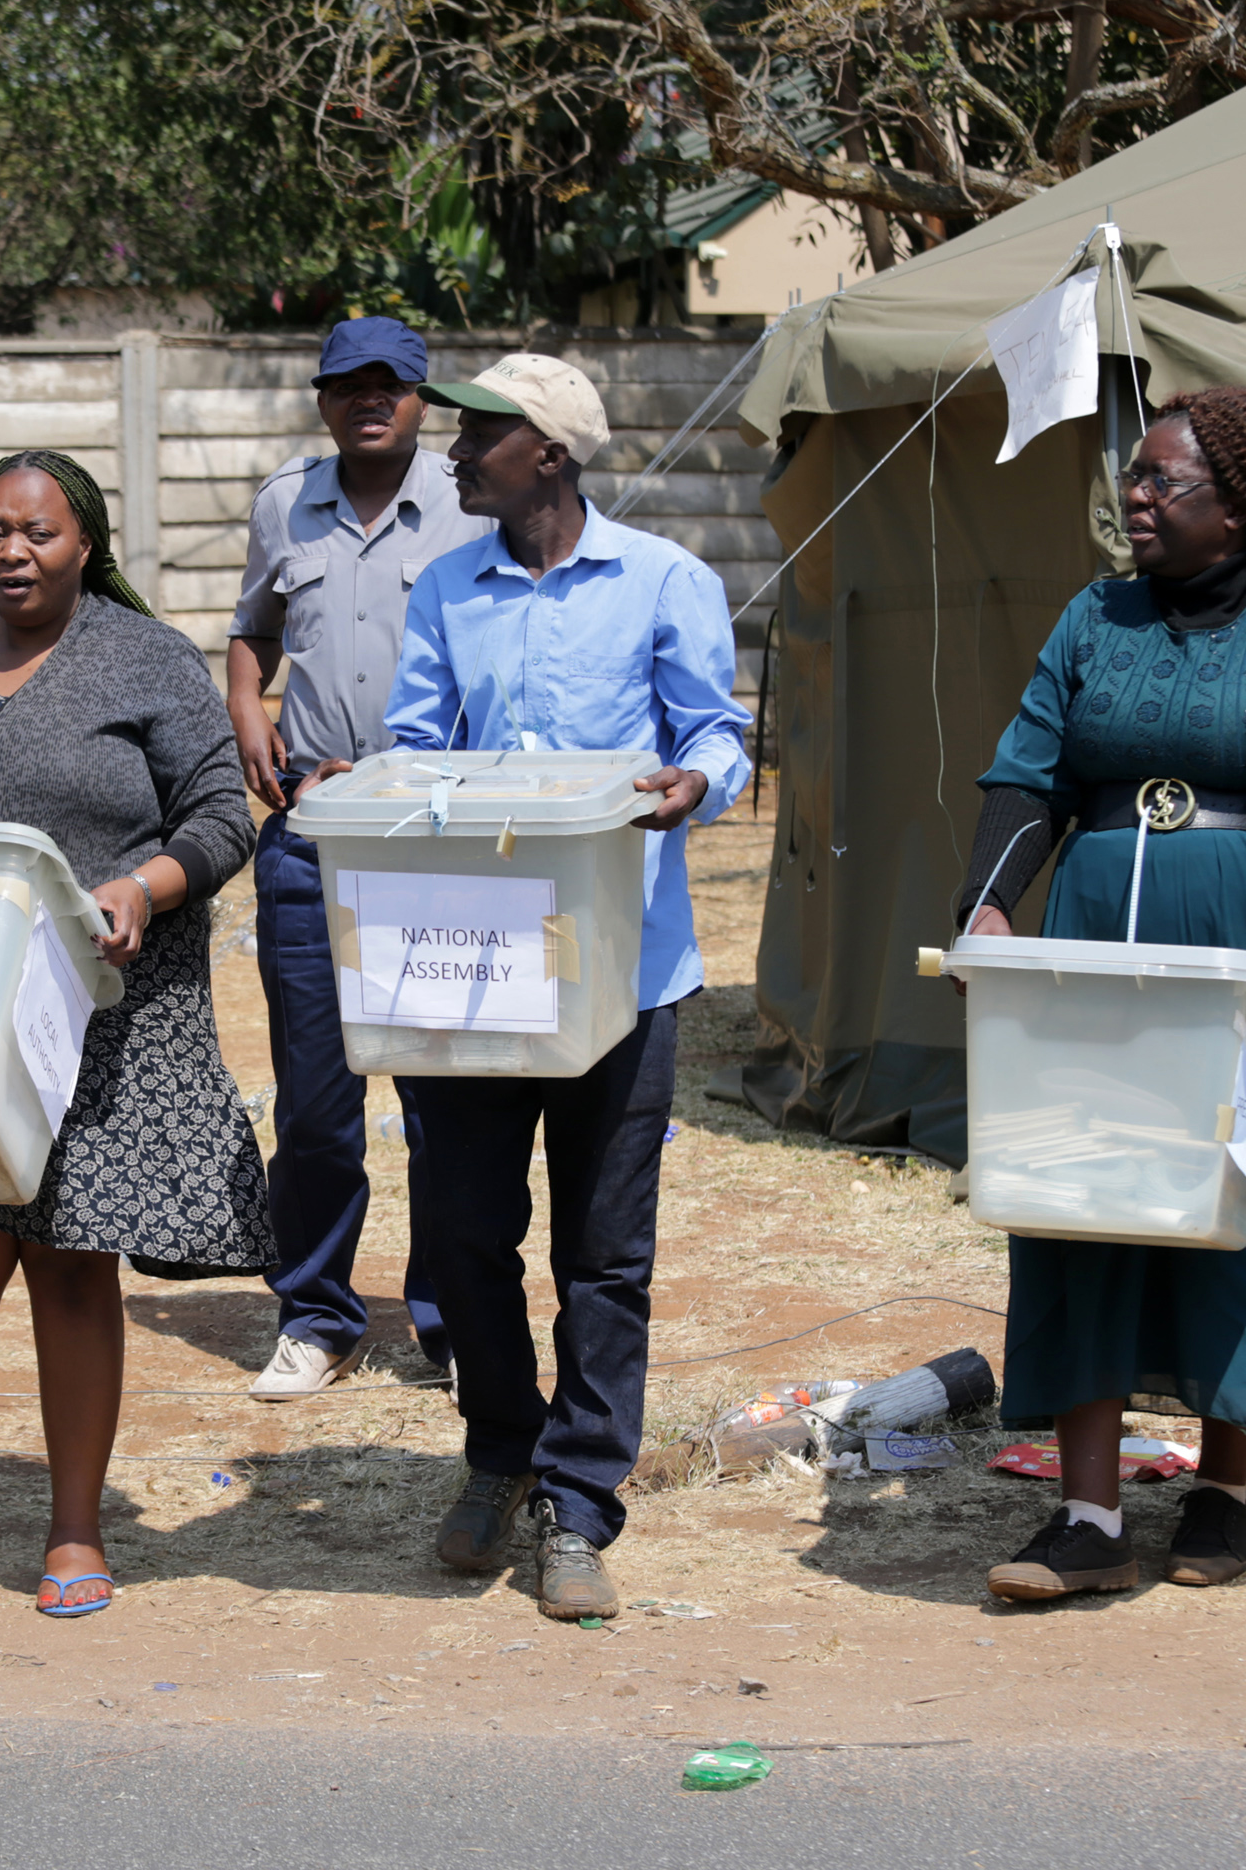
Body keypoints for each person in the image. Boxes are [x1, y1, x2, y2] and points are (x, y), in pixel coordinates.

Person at [953, 386, 1246, 1602]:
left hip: (1238, 941)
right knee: (1083, 1192)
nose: (1136, 494)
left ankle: (1221, 1485)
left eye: (1164, 479)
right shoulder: (1094, 614)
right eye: (1135, 473)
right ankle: (1089, 1515)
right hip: (1096, 945)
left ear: (1244, 509)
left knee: (1234, 1194)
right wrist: (992, 904)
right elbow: (1030, 773)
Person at [320, 353, 751, 1622]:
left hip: (625, 970)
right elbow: (418, 742)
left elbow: (714, 731)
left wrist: (694, 784)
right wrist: (380, 783)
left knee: (603, 1253)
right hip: (474, 967)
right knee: (464, 1234)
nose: (453, 452)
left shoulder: (664, 580)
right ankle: (500, 1449)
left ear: (548, 455)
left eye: (480, 436)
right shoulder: (450, 586)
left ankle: (580, 1497)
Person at [0, 449, 271, 1620]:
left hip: (94, 1013)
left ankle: (75, 1527)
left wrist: (144, 885)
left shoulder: (147, 659)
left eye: (38, 532)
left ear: (87, 544)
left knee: (74, 1263)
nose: (13, 552)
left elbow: (221, 814)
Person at [226, 316, 486, 1401]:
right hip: (311, 829)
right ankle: (317, 1315)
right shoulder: (285, 502)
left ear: (423, 399)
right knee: (317, 1104)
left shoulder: (474, 499)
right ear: (323, 398)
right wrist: (247, 708)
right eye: (347, 384)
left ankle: (454, 1320)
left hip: (437, 836)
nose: (368, 400)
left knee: (444, 1102)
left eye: (390, 385)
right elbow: (254, 629)